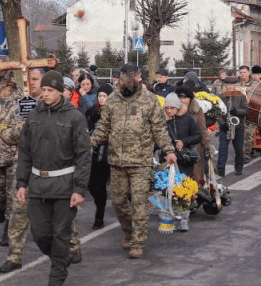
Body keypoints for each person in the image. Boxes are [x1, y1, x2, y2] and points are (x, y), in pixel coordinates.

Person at [15, 70, 92, 286]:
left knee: (60, 235)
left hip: (64, 186)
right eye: (44, 90)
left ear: (61, 92)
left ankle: (55, 283)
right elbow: (25, 152)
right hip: (38, 185)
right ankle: (61, 259)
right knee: (40, 233)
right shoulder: (34, 115)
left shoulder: (74, 117)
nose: (45, 94)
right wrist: (21, 183)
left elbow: (83, 155)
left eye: (50, 91)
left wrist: (79, 189)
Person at [89, 63, 177, 258]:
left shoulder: (149, 100)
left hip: (140, 162)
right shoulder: (112, 100)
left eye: (130, 80)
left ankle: (138, 242)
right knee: (119, 203)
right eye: (122, 80)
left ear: (138, 78)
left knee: (138, 204)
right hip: (117, 162)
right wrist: (90, 143)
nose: (126, 83)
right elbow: (103, 128)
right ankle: (129, 231)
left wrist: (168, 149)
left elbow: (159, 128)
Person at [0, 68, 83, 272]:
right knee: (19, 212)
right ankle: (15, 255)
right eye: (31, 79)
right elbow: (6, 134)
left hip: (57, 173)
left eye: (37, 79)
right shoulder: (19, 104)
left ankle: (71, 247)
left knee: (60, 216)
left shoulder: (64, 111)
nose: (33, 83)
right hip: (26, 168)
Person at [0, 73, 24, 247]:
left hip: (13, 155)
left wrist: (5, 133)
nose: (4, 89)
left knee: (12, 195)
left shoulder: (20, 103)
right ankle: (2, 209)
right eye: (2, 86)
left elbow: (21, 127)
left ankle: (7, 229)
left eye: (8, 86)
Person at [163, 92, 202, 232]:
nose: (169, 110)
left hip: (184, 160)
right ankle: (169, 217)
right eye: (167, 108)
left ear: (178, 107)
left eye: (172, 108)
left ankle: (184, 219)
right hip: (167, 160)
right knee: (167, 190)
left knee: (183, 191)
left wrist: (184, 141)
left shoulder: (187, 119)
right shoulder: (162, 120)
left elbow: (198, 136)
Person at [86, 88, 112, 229]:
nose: (102, 98)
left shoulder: (113, 112)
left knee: (101, 185)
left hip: (106, 154)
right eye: (100, 96)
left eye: (104, 96)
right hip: (91, 151)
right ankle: (99, 202)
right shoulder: (91, 112)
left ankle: (99, 216)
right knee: (90, 184)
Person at [216, 77, 248, 177]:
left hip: (238, 126)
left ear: (235, 86)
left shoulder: (241, 96)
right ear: (225, 86)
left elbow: (246, 110)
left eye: (232, 85)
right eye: (228, 85)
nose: (230, 87)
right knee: (222, 149)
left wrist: (237, 112)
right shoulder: (221, 96)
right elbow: (217, 112)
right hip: (225, 126)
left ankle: (239, 168)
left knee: (238, 149)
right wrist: (222, 123)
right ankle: (220, 169)